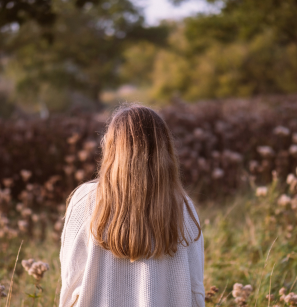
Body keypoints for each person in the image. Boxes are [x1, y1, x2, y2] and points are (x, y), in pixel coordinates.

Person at [59, 104, 205, 307]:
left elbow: (71, 283)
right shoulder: (182, 207)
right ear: (164, 149)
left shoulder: (85, 201)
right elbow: (195, 290)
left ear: (111, 147)